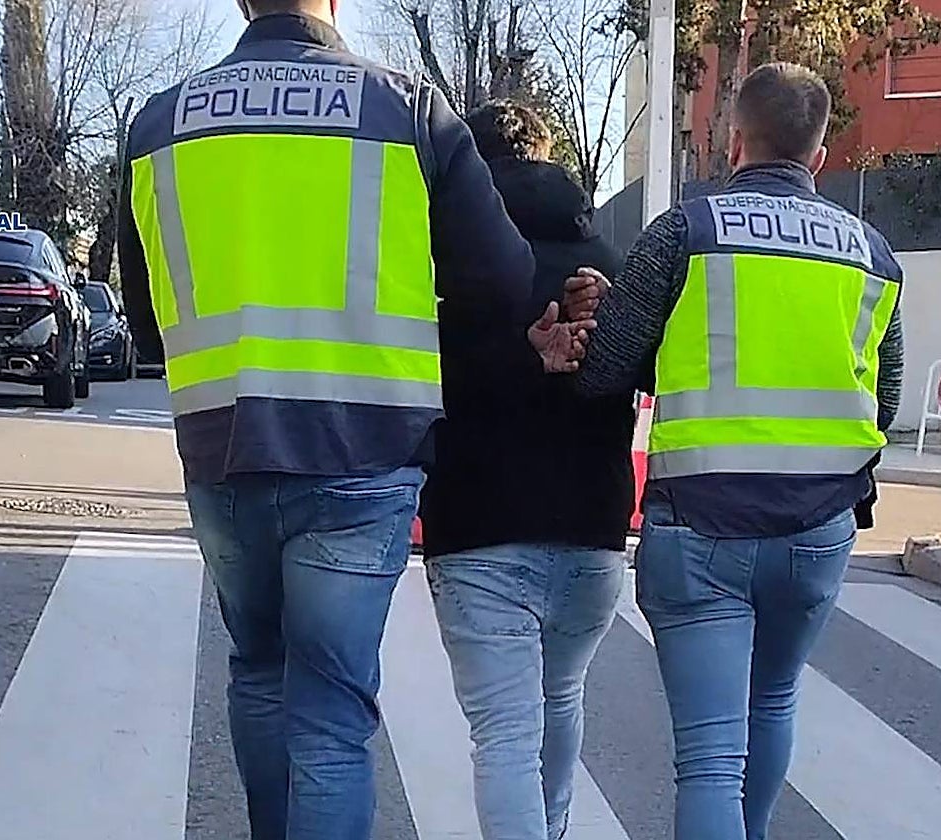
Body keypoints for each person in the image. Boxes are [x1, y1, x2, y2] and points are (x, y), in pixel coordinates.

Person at [113, 0, 578, 835]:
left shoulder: (159, 122)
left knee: (258, 669)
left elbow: (146, 321)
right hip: (364, 451)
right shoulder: (406, 108)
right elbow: (504, 280)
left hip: (224, 445)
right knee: (331, 712)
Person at [572, 62, 905, 840]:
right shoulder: (873, 255)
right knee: (774, 702)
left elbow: (606, 375)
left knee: (712, 757)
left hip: (701, 525)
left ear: (733, 142)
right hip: (819, 529)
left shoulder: (686, 231)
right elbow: (882, 403)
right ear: (819, 155)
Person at [419, 100, 632, 840]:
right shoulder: (607, 266)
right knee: (561, 699)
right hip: (592, 528)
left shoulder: (445, 259)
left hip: (478, 526)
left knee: (505, 736)